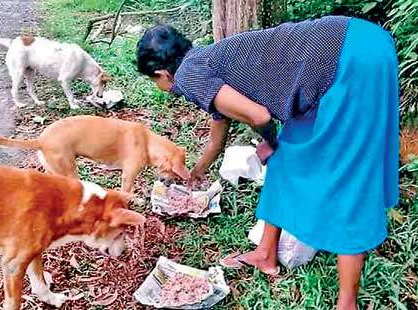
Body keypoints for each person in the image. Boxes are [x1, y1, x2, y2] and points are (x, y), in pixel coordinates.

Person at [135, 16, 399, 309]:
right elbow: (216, 138)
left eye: (154, 81)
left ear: (161, 73)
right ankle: (265, 254)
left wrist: (270, 142)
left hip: (353, 59)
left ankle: (346, 302)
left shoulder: (189, 76)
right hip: (352, 48)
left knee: (349, 180)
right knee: (285, 158)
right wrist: (195, 174)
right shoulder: (204, 62)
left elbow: (259, 116)